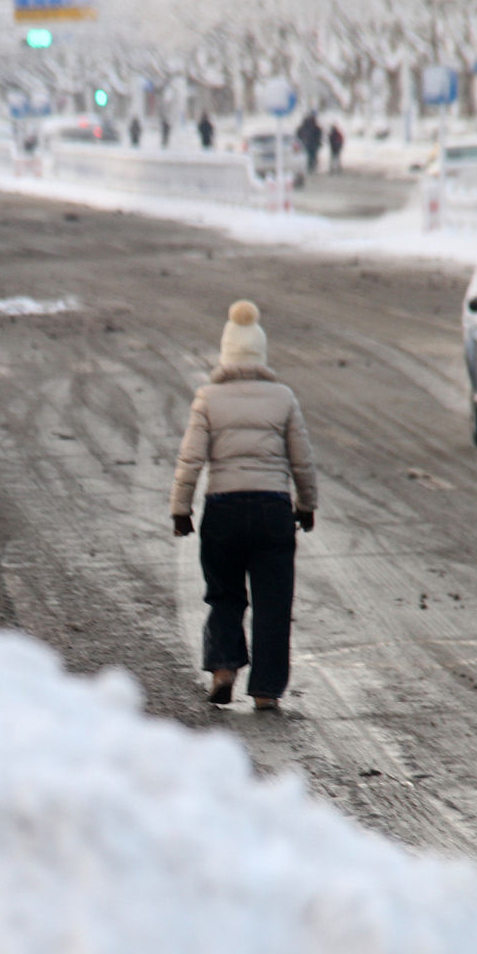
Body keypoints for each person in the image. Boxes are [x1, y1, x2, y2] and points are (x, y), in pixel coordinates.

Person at [170, 300, 317, 711]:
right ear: (260, 353)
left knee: (225, 595)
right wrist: (307, 504)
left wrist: (181, 510)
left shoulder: (208, 397)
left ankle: (223, 668)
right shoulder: (283, 397)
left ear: (226, 353)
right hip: (272, 511)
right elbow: (301, 459)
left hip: (223, 512)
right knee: (273, 605)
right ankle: (267, 690)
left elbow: (190, 459)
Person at [297, 111, 323, 175]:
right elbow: (318, 134)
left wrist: (302, 140)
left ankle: (310, 167)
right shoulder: (314, 126)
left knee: (309, 156)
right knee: (312, 156)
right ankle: (312, 167)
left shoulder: (305, 126)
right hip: (312, 144)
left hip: (308, 143)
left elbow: (299, 133)